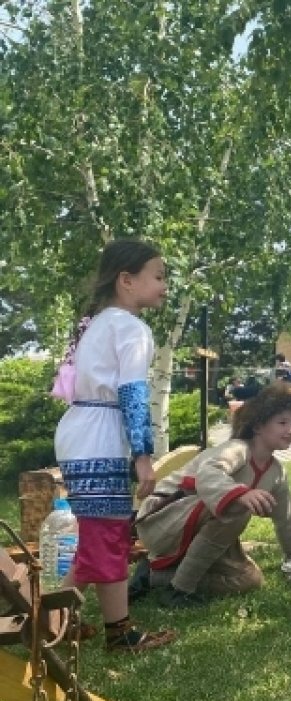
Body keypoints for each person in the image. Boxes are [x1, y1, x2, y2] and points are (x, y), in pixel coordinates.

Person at [53, 239, 177, 653]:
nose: (165, 286)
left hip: (80, 433)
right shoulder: (130, 328)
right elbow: (133, 394)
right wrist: (143, 455)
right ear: (127, 280)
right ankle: (113, 632)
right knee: (105, 537)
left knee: (102, 535)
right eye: (158, 277)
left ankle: (59, 621)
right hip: (99, 438)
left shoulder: (97, 323)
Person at [133, 382, 291, 606]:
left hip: (203, 526)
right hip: (160, 520)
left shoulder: (276, 472)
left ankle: (153, 576)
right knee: (236, 507)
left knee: (249, 579)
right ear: (258, 426)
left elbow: (288, 520)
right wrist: (239, 495)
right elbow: (208, 474)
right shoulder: (237, 449)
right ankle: (179, 591)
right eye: (282, 422)